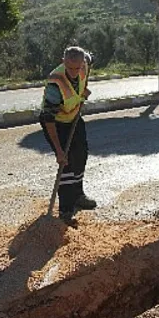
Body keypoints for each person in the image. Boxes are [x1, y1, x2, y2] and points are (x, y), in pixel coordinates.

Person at [39, 46, 98, 222]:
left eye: (77, 68)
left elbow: (90, 56)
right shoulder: (55, 84)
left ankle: (78, 195)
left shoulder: (84, 63)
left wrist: (83, 93)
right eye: (70, 68)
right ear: (63, 61)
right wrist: (58, 150)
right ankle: (65, 209)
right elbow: (49, 119)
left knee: (80, 155)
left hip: (73, 117)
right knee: (66, 163)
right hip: (56, 123)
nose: (74, 72)